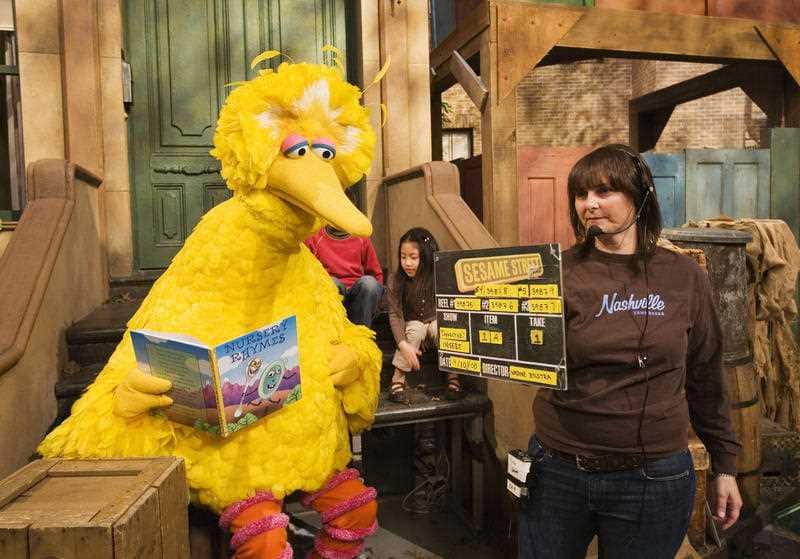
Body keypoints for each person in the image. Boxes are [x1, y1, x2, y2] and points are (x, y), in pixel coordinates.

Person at [518, 145, 743, 558]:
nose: (590, 204)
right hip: (558, 469)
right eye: (581, 194)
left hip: (652, 478)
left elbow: (706, 374)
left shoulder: (685, 277)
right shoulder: (552, 272)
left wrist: (725, 464)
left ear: (640, 196)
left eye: (604, 191)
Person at [386, 227, 462, 403]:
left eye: (413, 257)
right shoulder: (395, 280)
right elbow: (395, 315)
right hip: (414, 323)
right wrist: (403, 344)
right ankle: (397, 380)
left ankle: (453, 377)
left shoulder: (439, 275)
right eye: (403, 257)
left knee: (441, 329)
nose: (407, 263)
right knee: (415, 331)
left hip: (436, 319)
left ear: (426, 257)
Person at [305, 223, 384, 327]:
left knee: (369, 283)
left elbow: (376, 274)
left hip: (359, 296)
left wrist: (378, 302)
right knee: (332, 283)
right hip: (332, 296)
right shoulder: (314, 237)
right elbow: (306, 273)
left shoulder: (361, 237)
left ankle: (361, 336)